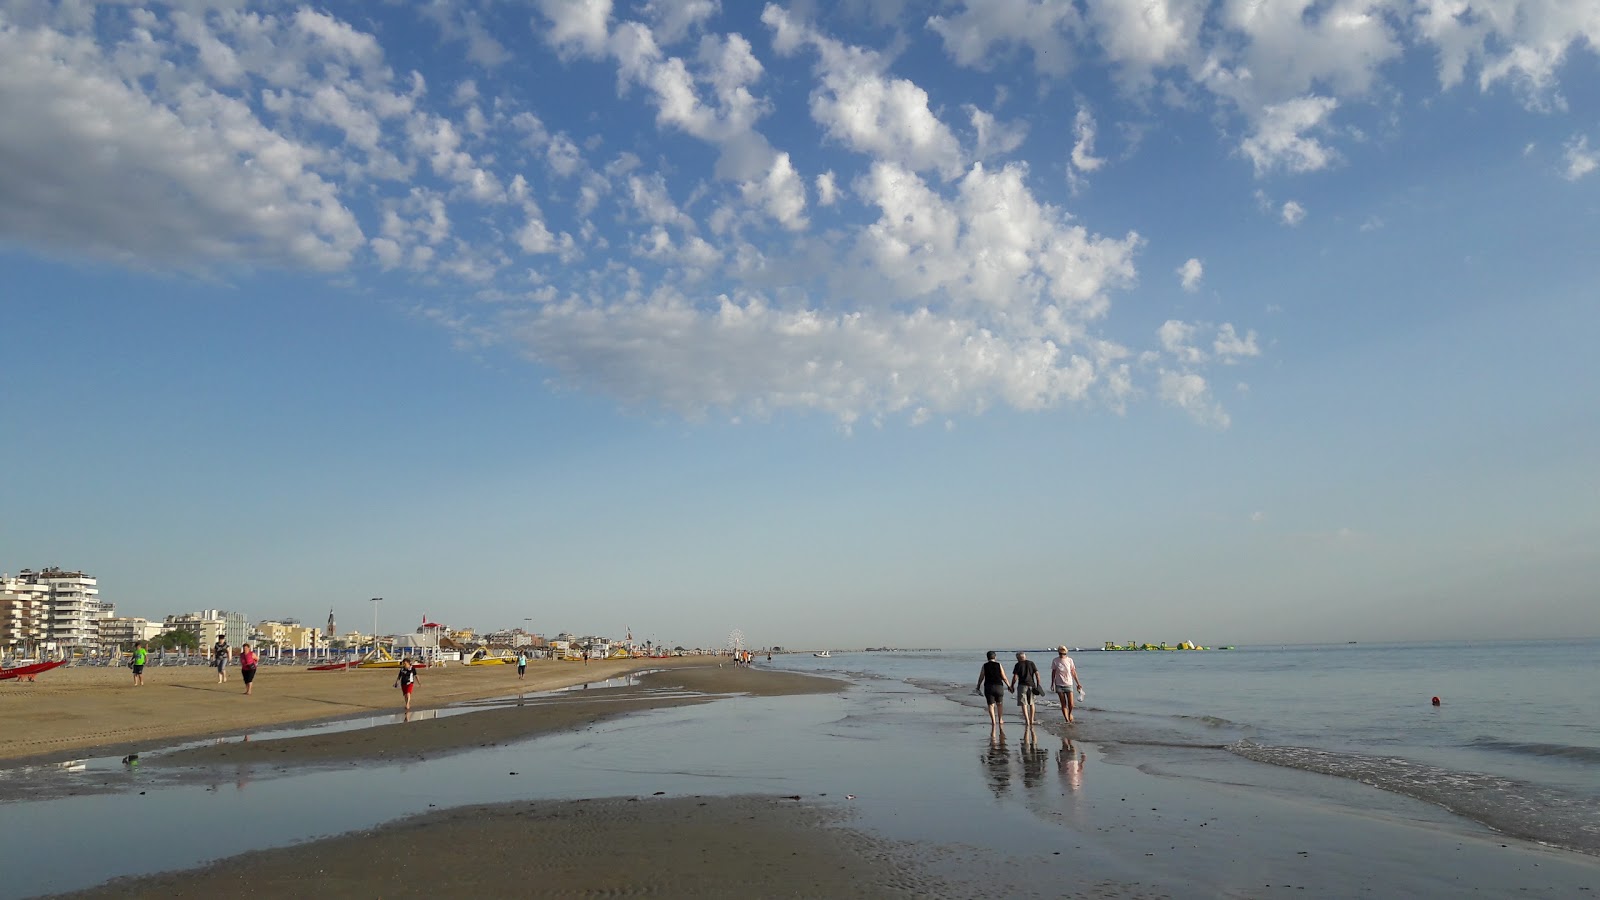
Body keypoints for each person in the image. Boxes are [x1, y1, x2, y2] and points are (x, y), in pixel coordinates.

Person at [976, 651, 1009, 739]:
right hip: (999, 686)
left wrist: (978, 686)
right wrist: (1009, 685)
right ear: (995, 657)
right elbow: (1004, 676)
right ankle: (1000, 719)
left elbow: (981, 676)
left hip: (989, 686)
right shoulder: (999, 665)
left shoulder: (985, 665)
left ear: (987, 657)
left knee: (991, 705)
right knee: (999, 704)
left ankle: (993, 721)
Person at [1011, 651, 1042, 739]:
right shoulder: (1031, 663)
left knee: (1023, 704)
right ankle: (1032, 719)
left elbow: (1015, 677)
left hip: (1022, 685)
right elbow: (1037, 674)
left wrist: (1012, 685)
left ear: (1018, 658)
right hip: (1032, 685)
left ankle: (1027, 721)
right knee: (1032, 703)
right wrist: (1038, 684)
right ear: (1025, 657)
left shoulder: (1017, 665)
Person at [1049, 645, 1084, 724]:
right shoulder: (1055, 660)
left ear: (1066, 653)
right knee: (1063, 703)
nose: (1062, 655)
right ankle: (1067, 720)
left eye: (1063, 653)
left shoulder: (1070, 660)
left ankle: (1070, 713)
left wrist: (1078, 683)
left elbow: (1073, 672)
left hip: (1068, 683)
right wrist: (1052, 683)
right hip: (1059, 684)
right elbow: (1053, 672)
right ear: (1058, 653)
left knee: (1071, 704)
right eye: (1060, 653)